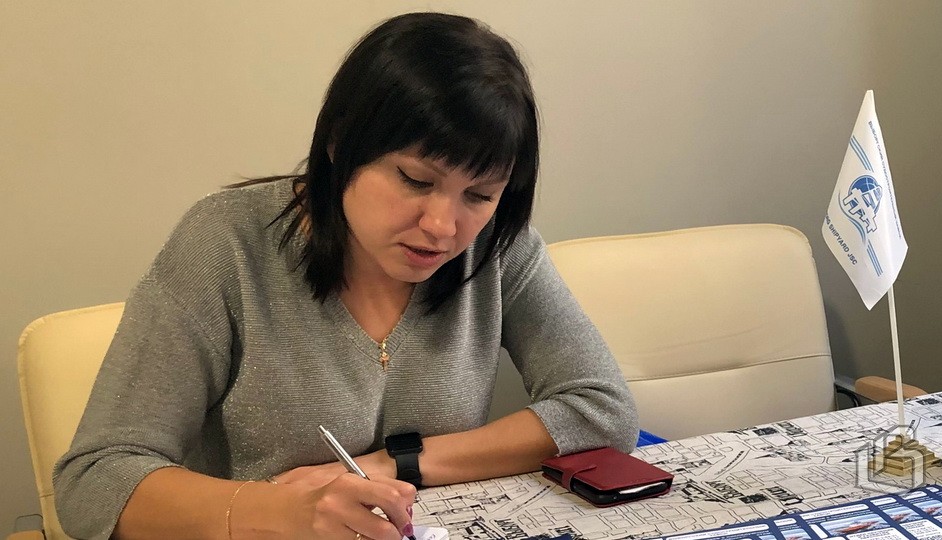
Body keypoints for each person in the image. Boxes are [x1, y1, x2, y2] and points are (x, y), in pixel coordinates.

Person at [53, 11, 640, 540]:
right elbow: (96, 479)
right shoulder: (226, 242)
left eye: (480, 194)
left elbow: (603, 409)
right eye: (415, 180)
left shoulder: (497, 249)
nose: (442, 227)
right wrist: (279, 512)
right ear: (340, 143)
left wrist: (398, 463)